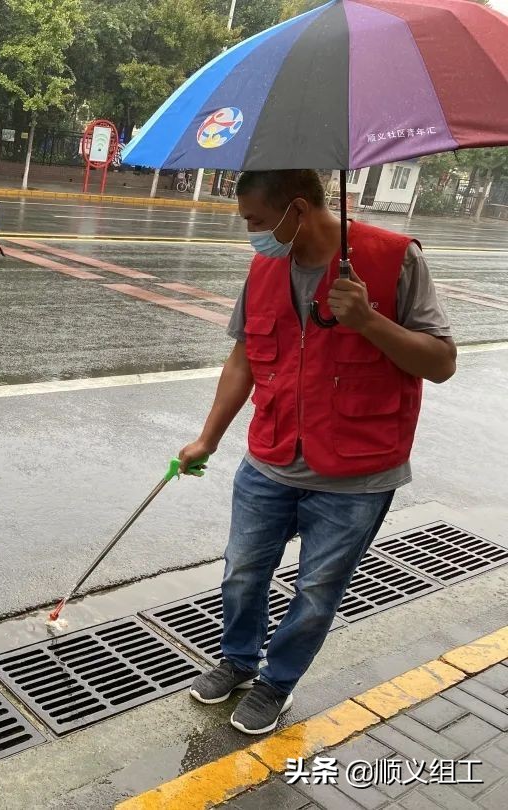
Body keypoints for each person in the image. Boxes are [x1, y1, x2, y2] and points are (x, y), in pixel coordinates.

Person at [179, 170, 456, 735]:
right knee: (242, 571)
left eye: (256, 220)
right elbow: (244, 360)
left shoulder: (394, 259)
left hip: (357, 473)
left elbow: (441, 362)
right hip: (270, 458)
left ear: (297, 210)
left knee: (316, 591)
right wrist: (207, 437)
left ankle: (275, 684)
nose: (251, 233)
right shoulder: (264, 268)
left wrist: (368, 320)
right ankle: (237, 660)